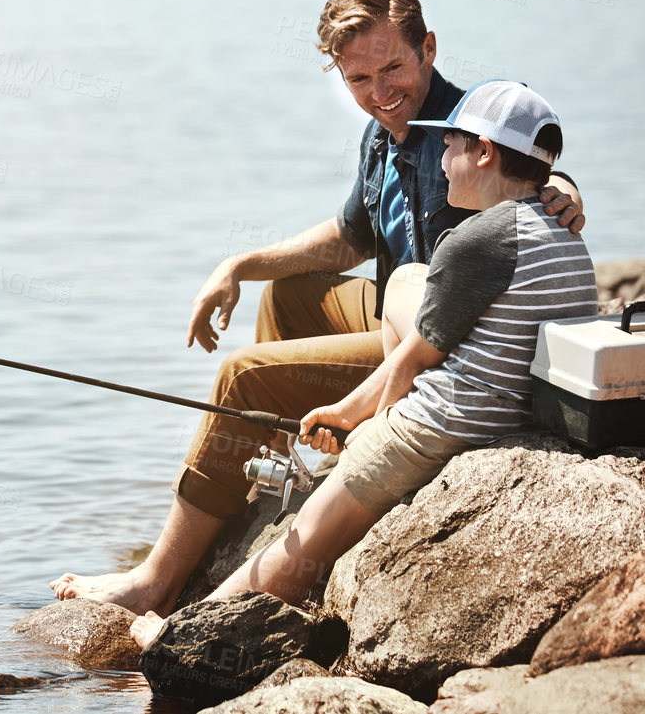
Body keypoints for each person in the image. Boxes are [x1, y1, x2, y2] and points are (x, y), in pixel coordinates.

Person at [50, 0, 584, 618]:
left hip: (444, 348)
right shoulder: (382, 135)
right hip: (399, 309)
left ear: (428, 49)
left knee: (243, 376)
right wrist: (239, 264)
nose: (381, 94)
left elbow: (533, 176)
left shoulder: (468, 128)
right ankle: (269, 481)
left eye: (393, 68)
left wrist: (569, 190)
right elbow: (348, 239)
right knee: (288, 294)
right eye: (359, 80)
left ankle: (157, 581)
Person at [129, 80, 595, 646]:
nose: (442, 164)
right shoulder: (565, 236)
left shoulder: (475, 240)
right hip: (511, 409)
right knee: (400, 279)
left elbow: (414, 362)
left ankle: (184, 637)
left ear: (485, 152)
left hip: (446, 422)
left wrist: (360, 419)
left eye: (449, 147)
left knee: (307, 536)